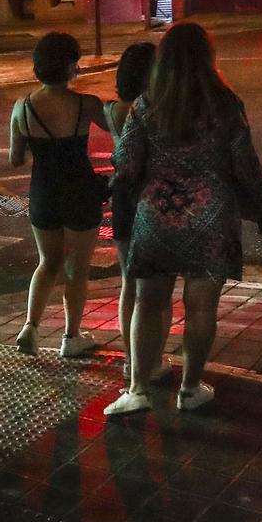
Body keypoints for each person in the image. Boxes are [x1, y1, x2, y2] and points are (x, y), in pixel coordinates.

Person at [104, 22, 262, 417]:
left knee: (148, 302)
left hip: (158, 215)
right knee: (201, 308)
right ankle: (190, 388)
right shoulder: (226, 105)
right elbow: (245, 165)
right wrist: (261, 209)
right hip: (212, 217)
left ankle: (137, 389)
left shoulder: (147, 105)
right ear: (207, 58)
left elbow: (127, 164)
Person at [9, 31, 110, 357]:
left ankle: (31, 327)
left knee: (48, 262)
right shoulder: (86, 105)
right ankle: (70, 336)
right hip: (81, 191)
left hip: (44, 192)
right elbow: (120, 125)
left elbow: (15, 158)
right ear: (71, 66)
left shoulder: (23, 107)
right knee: (77, 270)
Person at [106, 42, 156, 379]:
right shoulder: (148, 109)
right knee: (152, 287)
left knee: (128, 282)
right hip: (147, 198)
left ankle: (130, 359)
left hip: (121, 197)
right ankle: (147, 362)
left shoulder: (112, 109)